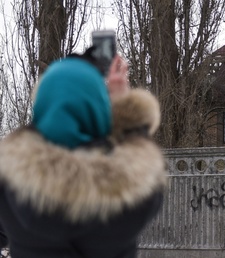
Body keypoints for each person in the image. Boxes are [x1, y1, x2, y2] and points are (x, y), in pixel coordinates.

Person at [0, 47, 167, 258]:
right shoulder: (131, 188)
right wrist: (124, 109)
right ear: (99, 109)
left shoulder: (10, 181)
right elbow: (145, 163)